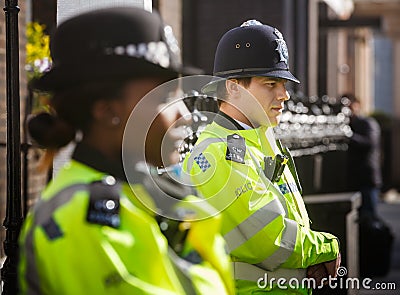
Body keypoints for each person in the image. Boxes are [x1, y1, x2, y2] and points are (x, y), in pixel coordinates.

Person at [18, 7, 234, 295]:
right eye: (167, 97)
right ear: (108, 111)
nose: (186, 114)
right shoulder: (80, 218)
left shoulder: (144, 194)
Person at [182, 20, 341, 294]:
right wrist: (325, 249)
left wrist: (308, 263)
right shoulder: (219, 152)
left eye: (284, 84)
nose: (285, 95)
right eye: (271, 83)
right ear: (233, 88)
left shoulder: (259, 139)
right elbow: (270, 239)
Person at [343, 93, 382, 218]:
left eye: (350, 106)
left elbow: (369, 143)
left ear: (357, 105)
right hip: (353, 180)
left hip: (367, 179)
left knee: (369, 216)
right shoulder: (348, 124)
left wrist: (349, 136)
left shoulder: (368, 123)